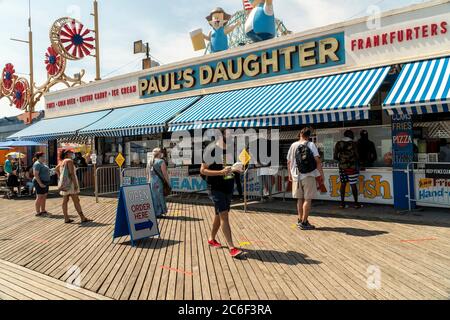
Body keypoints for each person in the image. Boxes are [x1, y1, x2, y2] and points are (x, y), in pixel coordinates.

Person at [201, 133, 244, 258]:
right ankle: (232, 248)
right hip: (215, 188)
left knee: (219, 215)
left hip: (228, 187)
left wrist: (237, 169)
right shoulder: (211, 150)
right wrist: (220, 172)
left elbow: (229, 168)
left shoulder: (230, 150)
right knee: (224, 215)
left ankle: (211, 238)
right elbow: (203, 170)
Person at [287, 128, 325, 230]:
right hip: (308, 175)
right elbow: (317, 160)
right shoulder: (311, 145)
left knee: (300, 199)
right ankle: (304, 222)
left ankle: (300, 219)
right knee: (308, 199)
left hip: (296, 175)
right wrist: (321, 174)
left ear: (300, 134)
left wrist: (290, 174)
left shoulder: (293, 145)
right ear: (309, 136)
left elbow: (289, 162)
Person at [55, 149, 92, 224]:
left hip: (65, 183)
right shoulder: (69, 161)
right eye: (70, 152)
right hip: (71, 183)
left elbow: (56, 169)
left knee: (65, 201)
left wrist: (60, 178)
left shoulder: (61, 161)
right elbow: (72, 173)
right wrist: (75, 184)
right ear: (67, 154)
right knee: (76, 200)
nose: (72, 154)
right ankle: (82, 217)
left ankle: (66, 218)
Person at [334, 130, 361, 209]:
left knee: (343, 184)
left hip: (342, 167)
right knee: (353, 184)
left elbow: (335, 156)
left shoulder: (338, 144)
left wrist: (342, 160)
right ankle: (356, 203)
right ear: (350, 135)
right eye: (352, 134)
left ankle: (342, 204)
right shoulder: (354, 144)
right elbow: (357, 156)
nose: (353, 136)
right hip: (352, 167)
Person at [146, 148, 170, 218]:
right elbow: (165, 174)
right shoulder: (161, 161)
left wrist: (148, 181)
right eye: (161, 152)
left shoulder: (149, 161)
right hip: (158, 182)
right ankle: (159, 212)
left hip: (151, 181)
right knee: (159, 196)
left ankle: (154, 212)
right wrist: (168, 183)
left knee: (153, 197)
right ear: (159, 153)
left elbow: (147, 173)